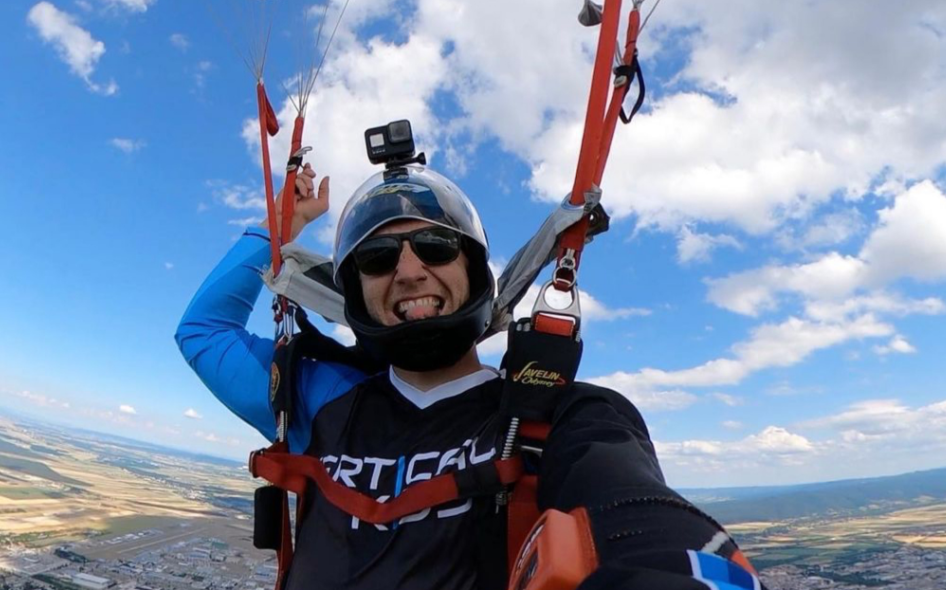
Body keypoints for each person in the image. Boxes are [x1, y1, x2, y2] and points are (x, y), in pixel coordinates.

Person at [177, 160, 764, 590]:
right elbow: (202, 332)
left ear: (473, 270)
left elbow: (632, 506)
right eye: (379, 259)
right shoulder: (318, 398)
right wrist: (278, 225)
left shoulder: (557, 417)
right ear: (356, 291)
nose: (408, 270)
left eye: (434, 247)